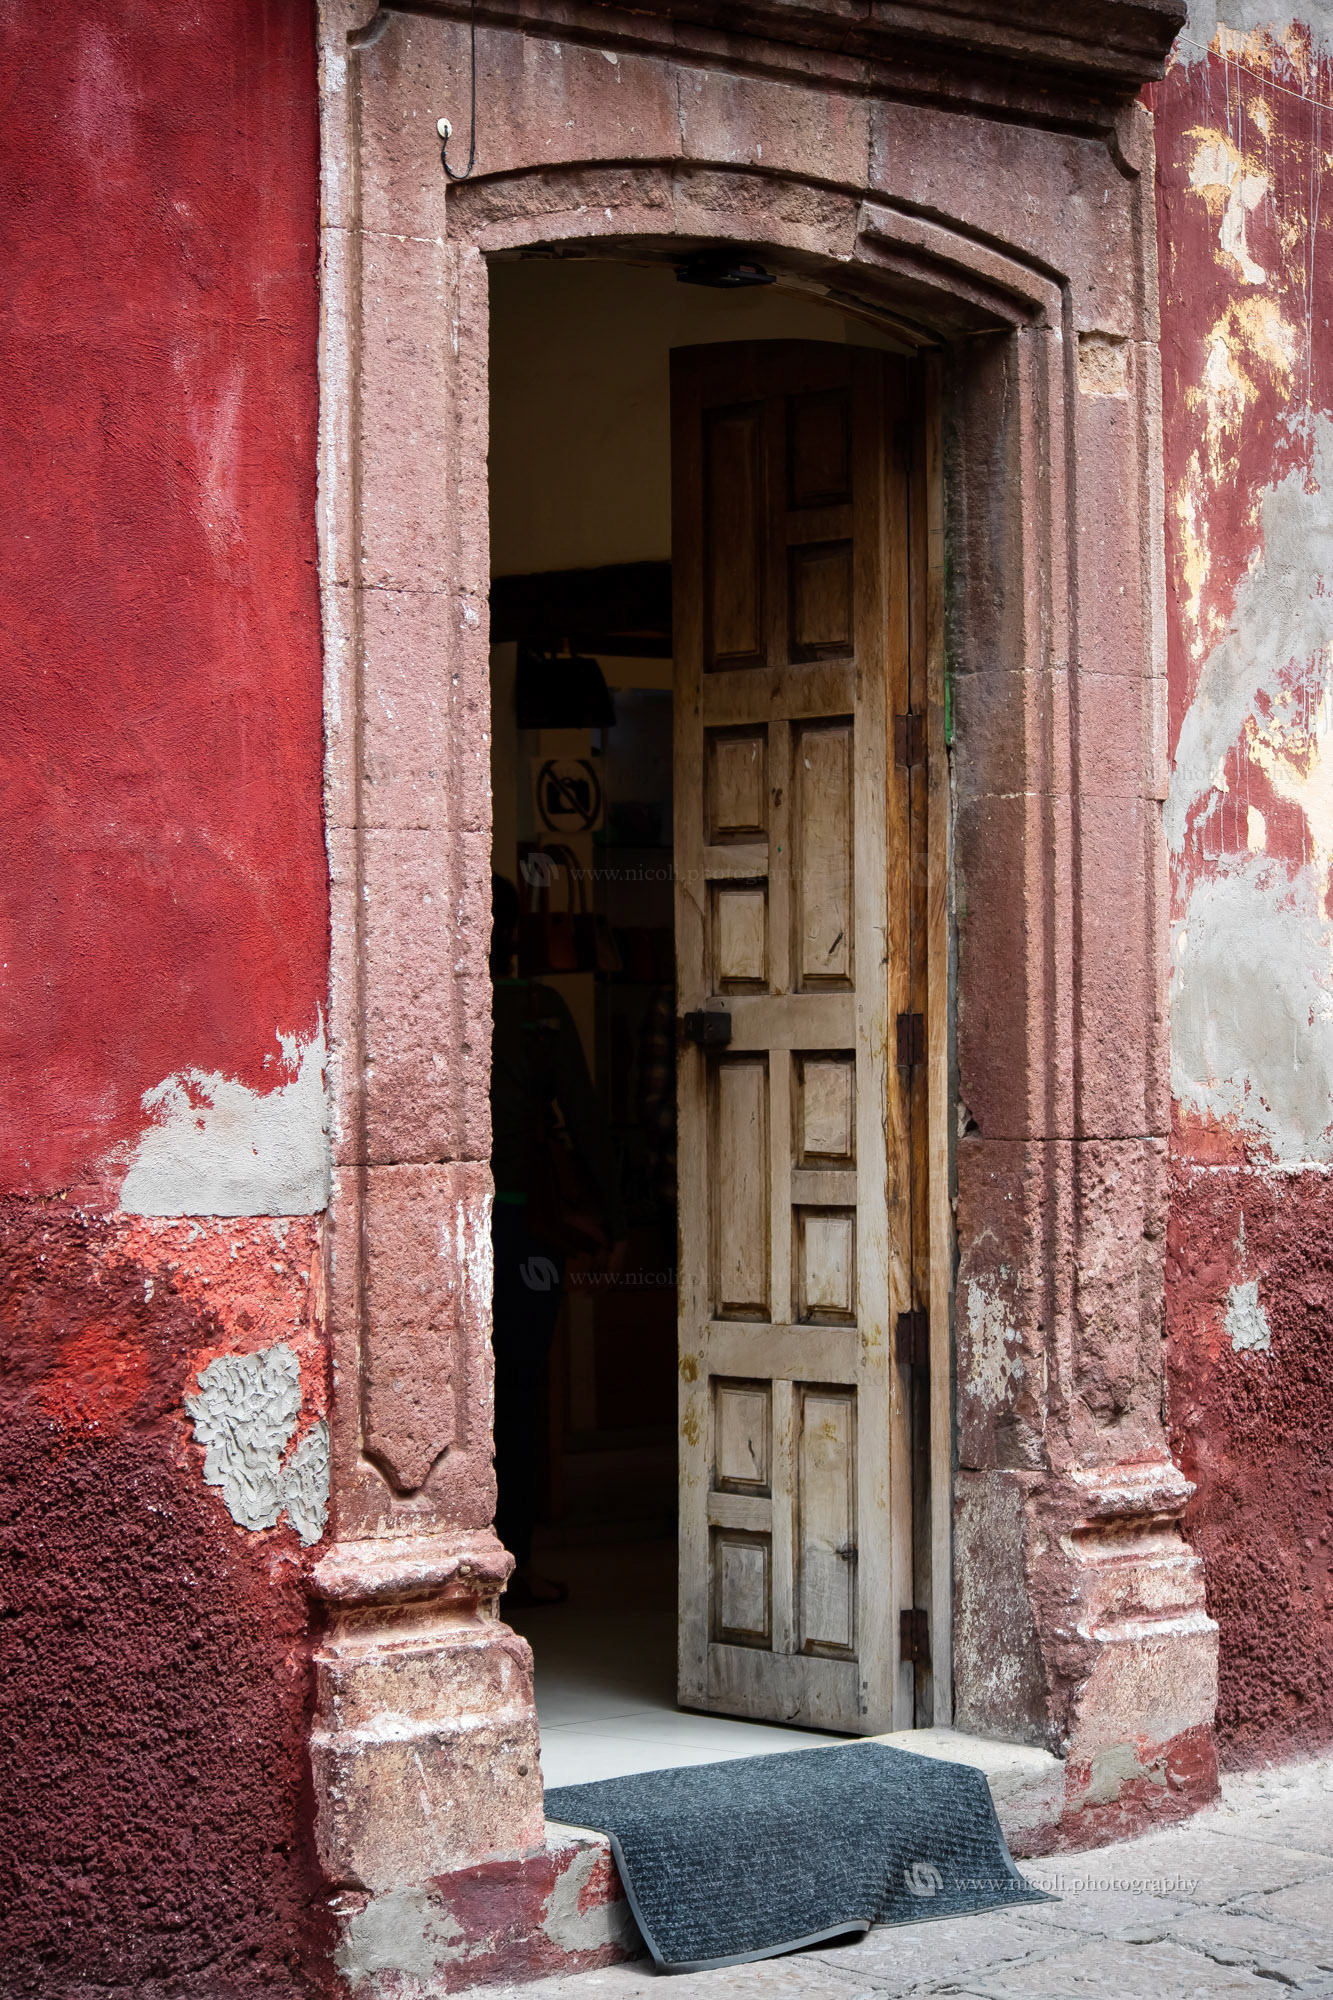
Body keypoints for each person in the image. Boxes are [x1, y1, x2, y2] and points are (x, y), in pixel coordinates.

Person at [489, 872, 626, 1605]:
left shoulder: (432, 1012)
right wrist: (616, 1222)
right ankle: (514, 1564)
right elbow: (585, 1118)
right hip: (525, 1230)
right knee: (520, 1394)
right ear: (517, 937)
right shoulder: (540, 1013)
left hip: (450, 1230)